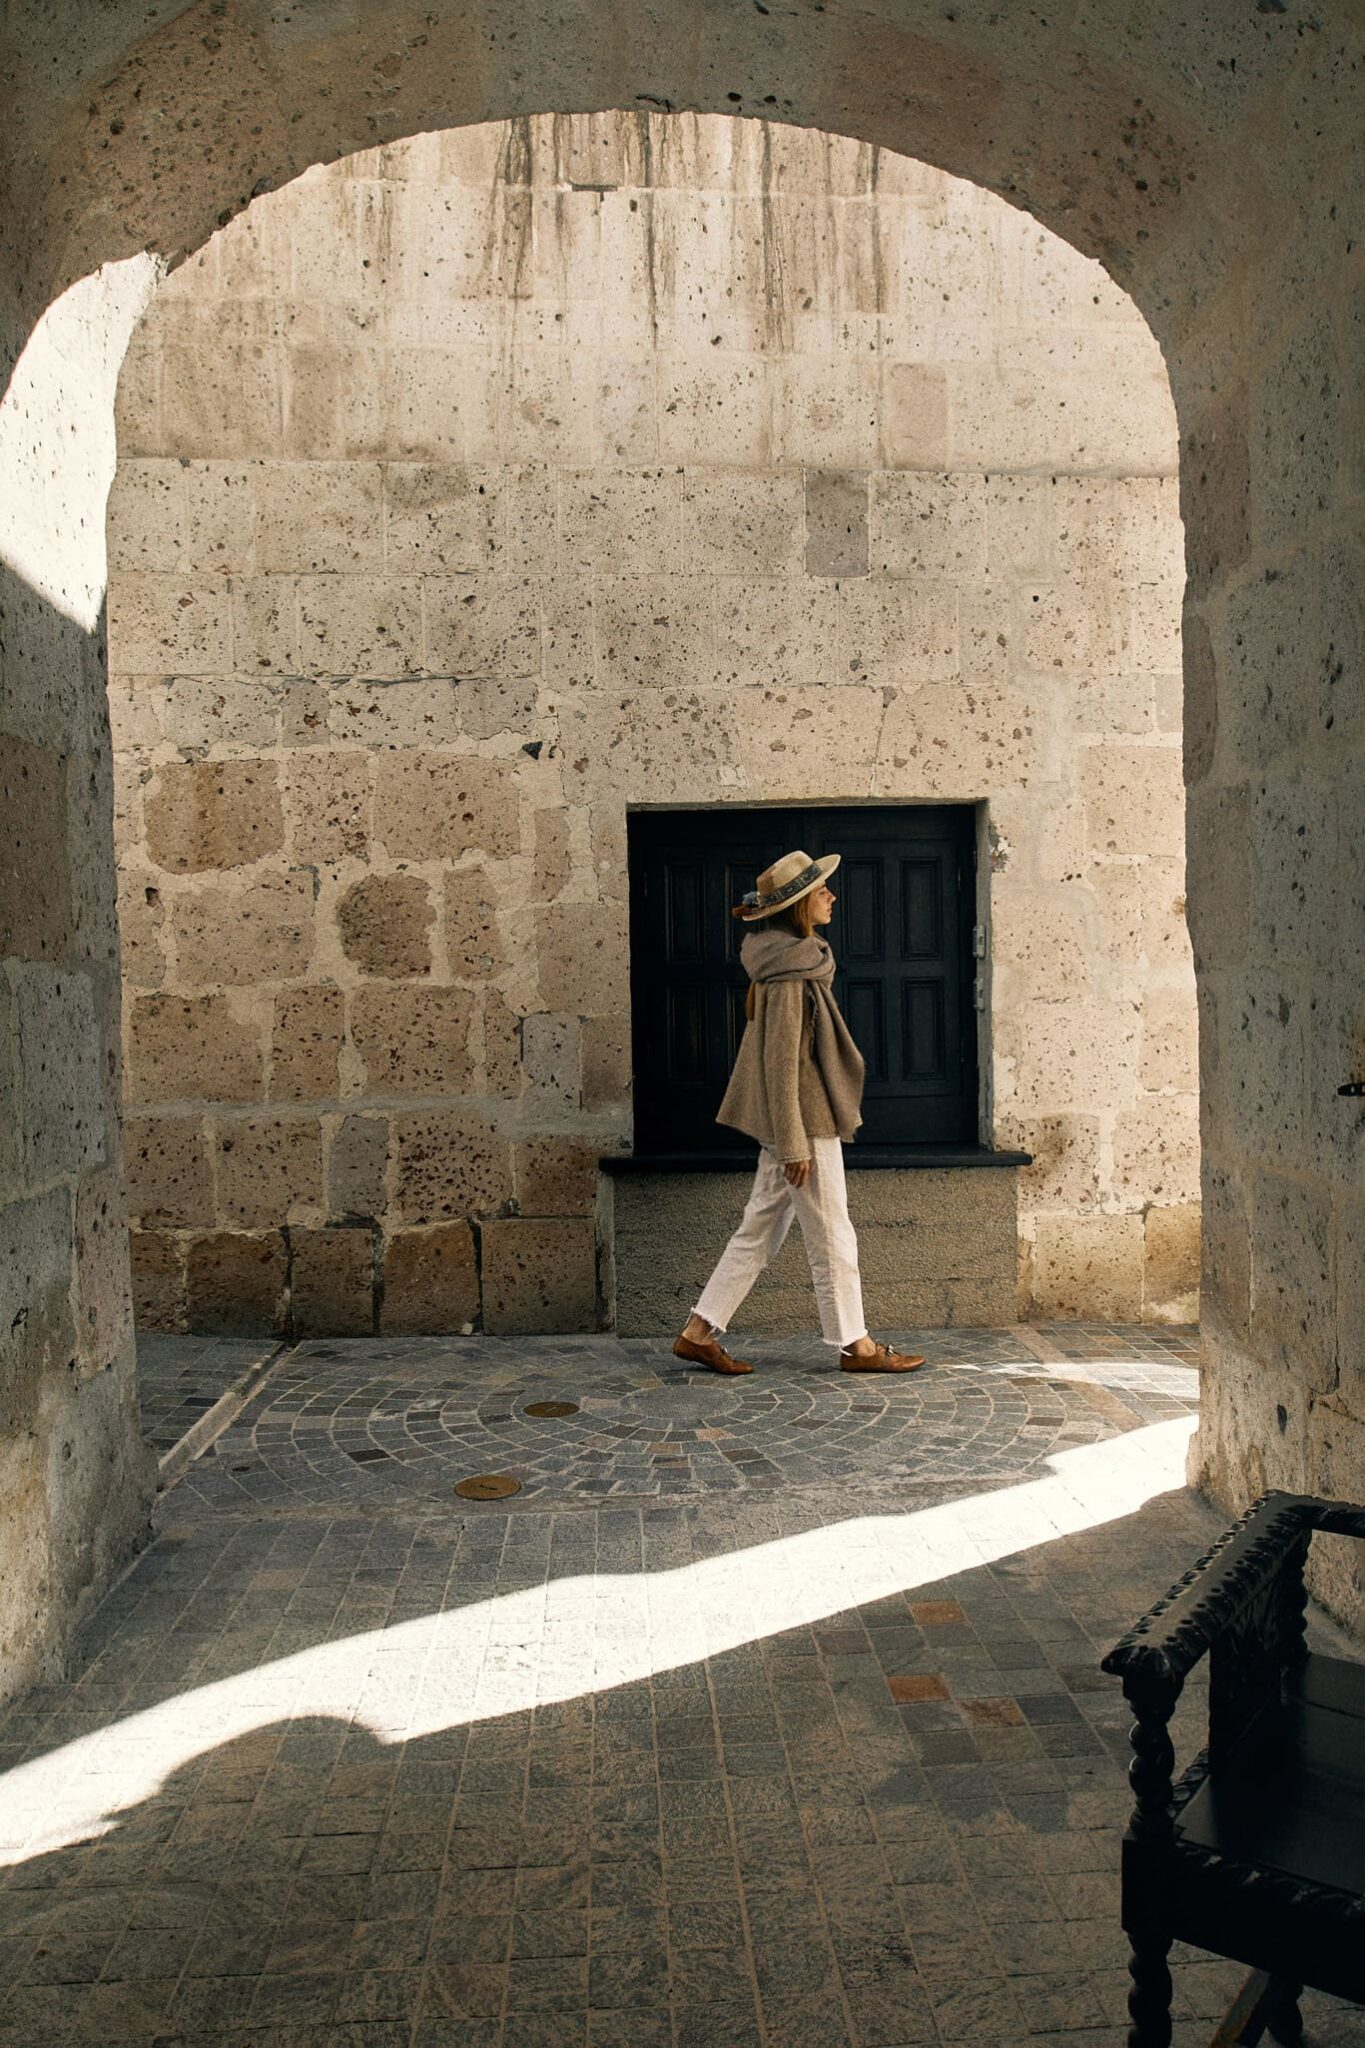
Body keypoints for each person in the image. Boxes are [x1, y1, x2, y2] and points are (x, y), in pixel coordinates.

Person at [673, 848, 926, 1377]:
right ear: (797, 907)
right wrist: (792, 1143)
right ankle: (856, 1345)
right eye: (821, 891)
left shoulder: (791, 959)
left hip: (794, 1121)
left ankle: (699, 1332)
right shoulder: (789, 974)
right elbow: (779, 1064)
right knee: (833, 1231)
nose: (832, 896)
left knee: (760, 1229)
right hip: (803, 1122)